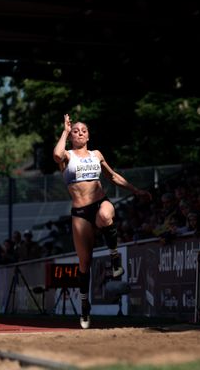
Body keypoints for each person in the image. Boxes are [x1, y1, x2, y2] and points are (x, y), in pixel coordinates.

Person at [53, 113, 152, 329]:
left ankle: (115, 257)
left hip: (100, 203)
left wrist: (136, 190)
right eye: (75, 130)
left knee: (107, 214)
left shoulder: (96, 154)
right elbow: (57, 154)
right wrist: (64, 131)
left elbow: (113, 176)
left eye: (83, 130)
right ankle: (85, 305)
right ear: (71, 136)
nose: (79, 132)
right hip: (80, 213)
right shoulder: (67, 157)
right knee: (84, 264)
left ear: (88, 136)